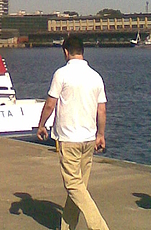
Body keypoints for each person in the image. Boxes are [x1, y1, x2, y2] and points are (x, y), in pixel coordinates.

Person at [37, 35, 110, 230]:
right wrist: (100, 135)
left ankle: (100, 227)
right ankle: (68, 226)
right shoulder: (96, 76)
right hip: (88, 139)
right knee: (79, 187)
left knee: (73, 186)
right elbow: (101, 110)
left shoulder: (61, 74)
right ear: (83, 51)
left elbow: (50, 104)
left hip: (68, 139)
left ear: (66, 52)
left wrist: (41, 124)